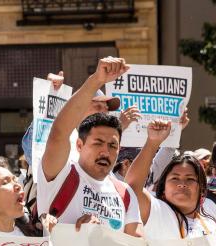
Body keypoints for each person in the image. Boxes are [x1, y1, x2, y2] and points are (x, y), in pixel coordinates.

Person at [37, 56, 141, 235]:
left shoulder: (125, 193)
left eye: (112, 146)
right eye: (98, 143)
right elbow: (58, 134)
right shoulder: (60, 175)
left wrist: (102, 236)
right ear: (79, 145)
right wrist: (97, 80)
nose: (105, 151)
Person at [125, 126, 216, 240]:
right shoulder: (157, 211)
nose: (182, 184)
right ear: (163, 187)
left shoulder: (212, 225)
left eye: (190, 179)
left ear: (201, 188)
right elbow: (131, 187)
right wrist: (152, 143)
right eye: (175, 178)